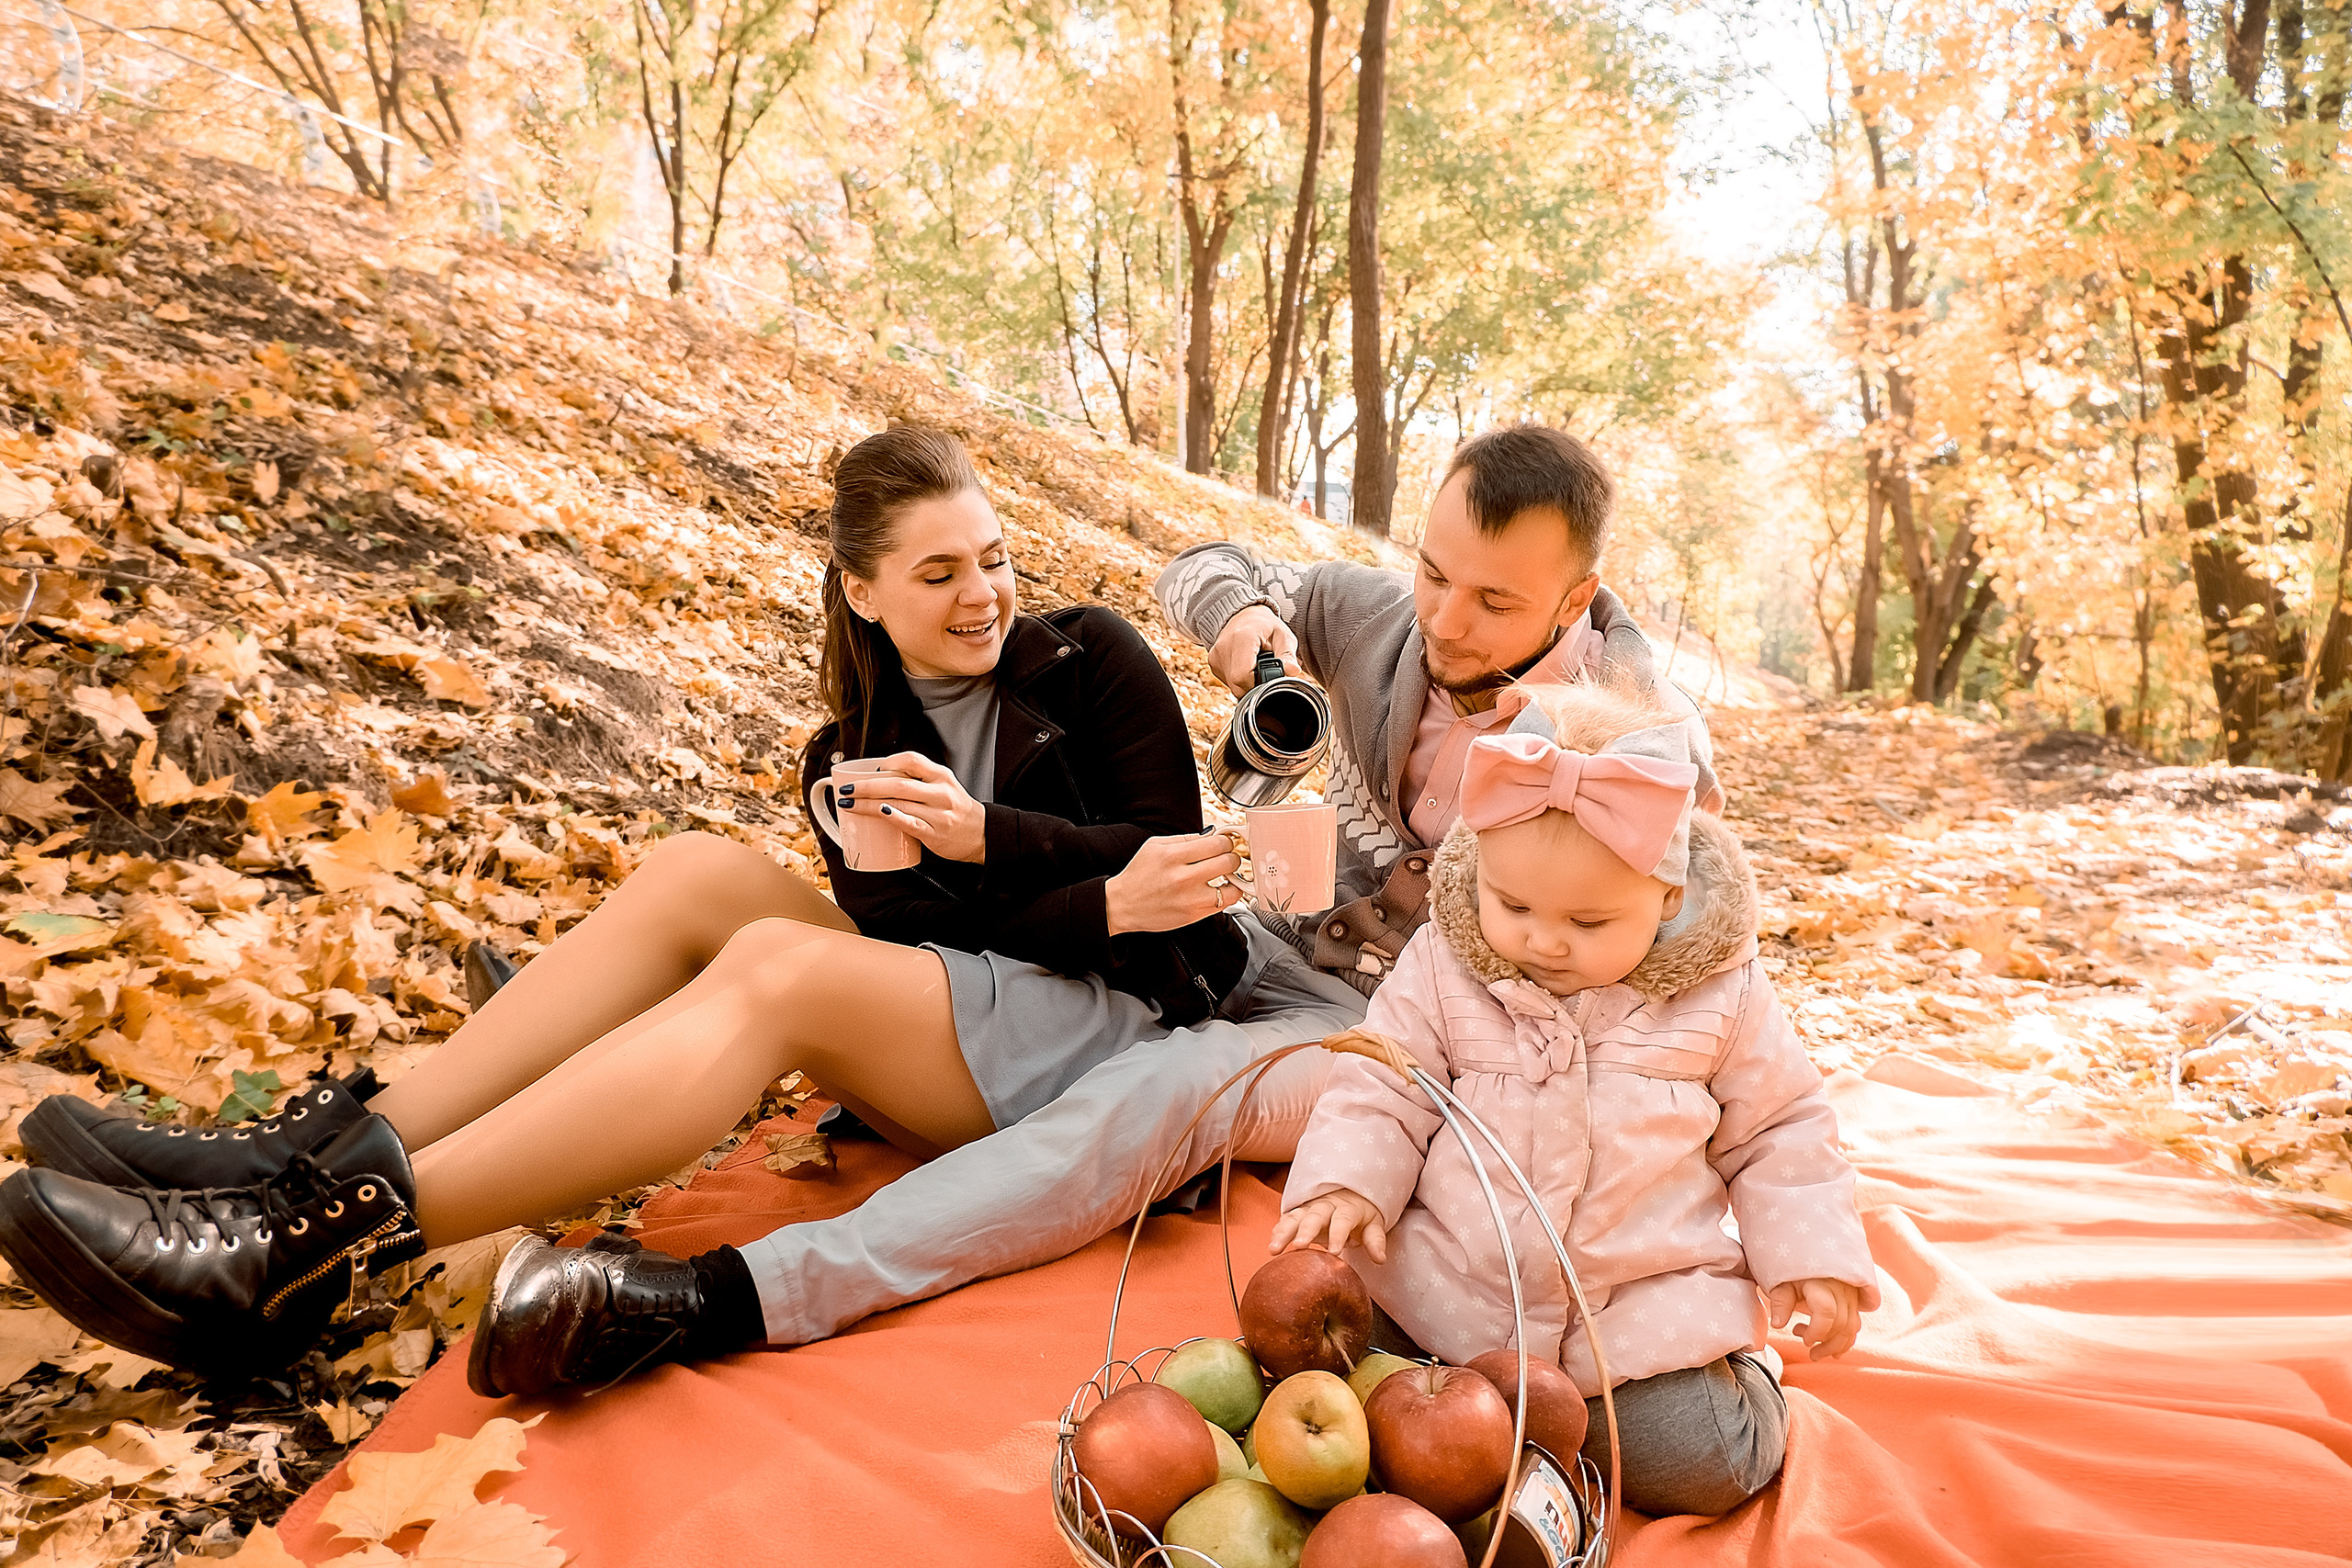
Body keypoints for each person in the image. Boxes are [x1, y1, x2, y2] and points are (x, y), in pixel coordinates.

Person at [0, 426, 1363, 1388]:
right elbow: (911, 958)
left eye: (992, 557)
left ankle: (309, 1249)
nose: (982, 594)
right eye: (939, 571)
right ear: (863, 591)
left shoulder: (1094, 659)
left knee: (774, 964)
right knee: (698, 872)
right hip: (963, 1023)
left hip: (1116, 1026)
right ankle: (290, 1163)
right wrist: (949, 883)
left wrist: (989, 837)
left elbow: (1176, 905)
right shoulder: (850, 754)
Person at [1272, 684, 1876, 1517]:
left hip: (1626, 1324)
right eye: (1513, 904)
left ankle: (1660, 1402)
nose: (1543, 939)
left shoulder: (1723, 995)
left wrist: (1812, 1255)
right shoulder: (1446, 963)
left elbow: (1781, 1129)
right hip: (1449, 1296)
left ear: (1668, 899)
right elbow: (1383, 1078)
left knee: (1712, 1461)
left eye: (1589, 922)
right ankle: (1472, 1430)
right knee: (1320, 1354)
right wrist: (1348, 1182)